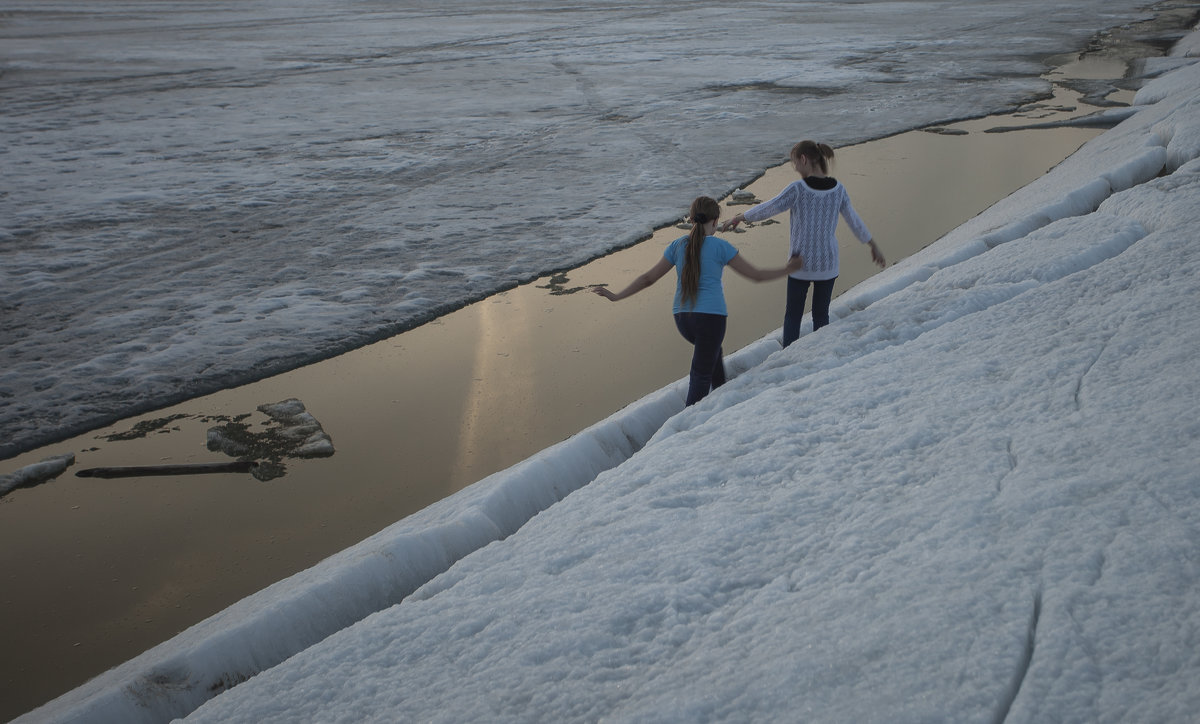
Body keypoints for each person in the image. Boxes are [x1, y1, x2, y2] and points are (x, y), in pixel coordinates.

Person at [592, 196, 803, 406]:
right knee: (700, 375)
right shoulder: (720, 246)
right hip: (711, 319)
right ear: (714, 221)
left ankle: (721, 394)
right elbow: (756, 275)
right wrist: (789, 269)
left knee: (712, 353)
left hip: (683, 319)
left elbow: (648, 278)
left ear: (692, 220)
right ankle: (689, 427)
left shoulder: (677, 245)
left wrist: (616, 296)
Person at [720, 140, 885, 346]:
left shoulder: (798, 189)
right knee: (821, 316)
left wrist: (740, 216)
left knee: (793, 317)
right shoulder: (838, 189)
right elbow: (854, 220)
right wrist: (872, 244)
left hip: (800, 265)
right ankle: (821, 353)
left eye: (795, 163)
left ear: (804, 159)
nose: (795, 168)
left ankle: (790, 356)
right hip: (828, 264)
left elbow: (770, 207)